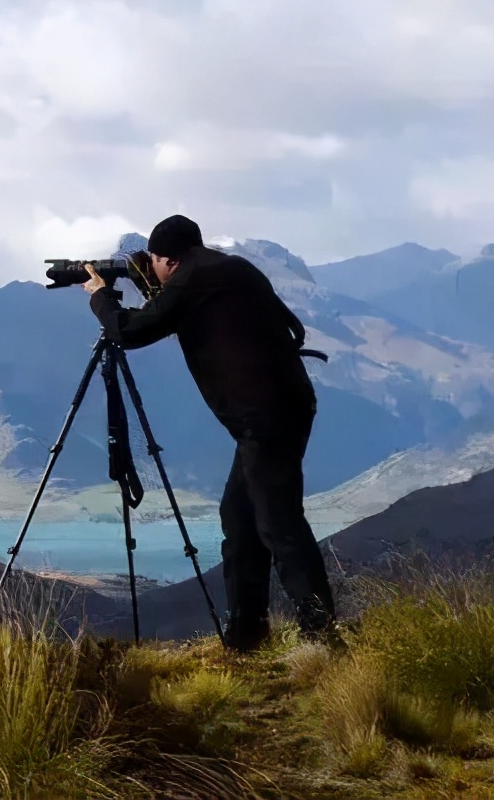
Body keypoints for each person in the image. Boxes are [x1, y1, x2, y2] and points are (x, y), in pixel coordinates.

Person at [83, 214, 338, 652]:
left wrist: (100, 297)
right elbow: (183, 311)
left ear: (167, 260)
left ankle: (323, 638)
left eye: (155, 264)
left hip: (266, 418)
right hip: (285, 408)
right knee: (240, 520)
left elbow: (129, 331)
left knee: (280, 524)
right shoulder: (232, 269)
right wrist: (153, 290)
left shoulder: (192, 280)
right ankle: (247, 638)